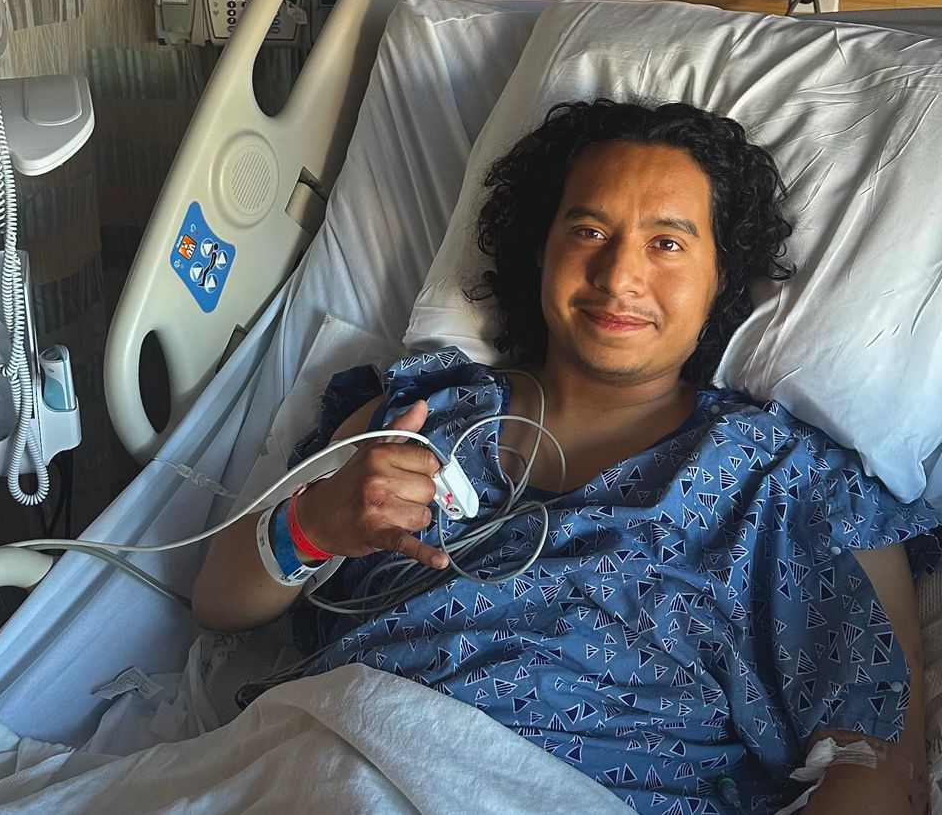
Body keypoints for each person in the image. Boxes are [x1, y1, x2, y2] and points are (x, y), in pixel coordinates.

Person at [192, 99, 939, 814]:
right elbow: (219, 603)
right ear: (540, 249)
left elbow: (877, 765)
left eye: (667, 244)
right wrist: (317, 522)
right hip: (326, 759)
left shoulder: (785, 479)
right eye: (588, 231)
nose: (618, 277)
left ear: (722, 276)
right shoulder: (421, 413)